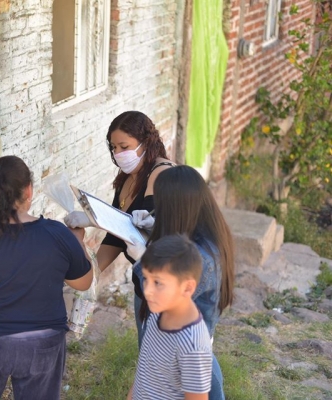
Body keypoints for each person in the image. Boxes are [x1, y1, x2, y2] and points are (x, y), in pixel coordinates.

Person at [0, 155, 93, 400]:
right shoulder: (57, 234)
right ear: (28, 190)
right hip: (43, 342)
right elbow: (83, 282)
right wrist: (78, 240)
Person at [127, 165, 235, 400]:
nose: (158, 209)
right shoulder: (203, 230)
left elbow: (164, 293)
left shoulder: (202, 256)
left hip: (186, 346)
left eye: (162, 206)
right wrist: (153, 225)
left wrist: (142, 261)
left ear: (178, 207)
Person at [65, 110, 175, 278]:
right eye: (114, 148)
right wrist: (90, 275)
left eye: (124, 147)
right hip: (144, 278)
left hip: (169, 278)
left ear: (146, 143)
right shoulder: (126, 178)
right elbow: (116, 237)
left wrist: (97, 220)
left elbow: (149, 233)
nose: (117, 154)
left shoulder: (160, 174)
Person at [128, 234, 212, 400]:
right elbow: (145, 370)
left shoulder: (193, 346)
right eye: (146, 279)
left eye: (158, 282)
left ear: (187, 288)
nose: (147, 291)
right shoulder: (157, 311)